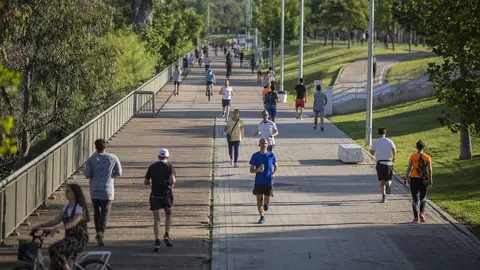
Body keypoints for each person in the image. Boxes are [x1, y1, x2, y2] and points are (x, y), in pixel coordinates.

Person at [32, 184, 89, 270]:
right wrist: (40, 226)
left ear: (75, 193)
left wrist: (60, 228)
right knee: (54, 255)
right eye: (66, 191)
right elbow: (55, 221)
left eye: (68, 191)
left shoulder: (79, 207)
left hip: (78, 238)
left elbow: (74, 222)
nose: (66, 193)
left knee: (55, 249)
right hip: (69, 238)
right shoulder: (67, 207)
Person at [83, 138, 122, 246]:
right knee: (105, 211)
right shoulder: (113, 157)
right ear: (106, 147)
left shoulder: (91, 159)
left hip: (94, 189)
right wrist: (111, 176)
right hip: (107, 189)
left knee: (96, 212)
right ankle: (101, 232)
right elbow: (119, 172)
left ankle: (97, 232)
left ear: (96, 147)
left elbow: (87, 174)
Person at [144, 149, 176, 251]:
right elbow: (172, 180)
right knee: (169, 214)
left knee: (157, 219)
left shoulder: (152, 166)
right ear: (167, 157)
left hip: (155, 196)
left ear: (158, 156)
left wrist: (152, 183)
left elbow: (146, 181)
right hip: (166, 195)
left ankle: (157, 241)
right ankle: (166, 234)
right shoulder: (169, 166)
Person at [249, 138, 278, 224]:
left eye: (265, 143)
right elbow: (251, 170)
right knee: (259, 200)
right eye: (262, 143)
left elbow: (276, 166)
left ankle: (266, 205)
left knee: (267, 198)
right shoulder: (255, 156)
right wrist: (258, 170)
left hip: (268, 181)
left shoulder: (271, 155)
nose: (264, 145)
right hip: (258, 181)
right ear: (259, 144)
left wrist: (274, 173)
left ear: (267, 145)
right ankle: (262, 216)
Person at [403, 140, 433, 223]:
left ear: (416, 147)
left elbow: (409, 168)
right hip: (424, 179)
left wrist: (406, 177)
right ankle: (422, 214)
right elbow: (430, 170)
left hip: (414, 179)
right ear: (424, 147)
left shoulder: (413, 156)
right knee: (423, 198)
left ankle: (416, 217)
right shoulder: (427, 157)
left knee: (415, 198)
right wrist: (430, 180)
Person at [370, 128, 397, 203]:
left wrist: (371, 151)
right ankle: (388, 183)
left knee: (382, 181)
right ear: (385, 133)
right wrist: (394, 157)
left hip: (380, 164)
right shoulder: (389, 141)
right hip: (389, 163)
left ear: (378, 134)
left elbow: (372, 152)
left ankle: (384, 197)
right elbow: (394, 149)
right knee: (389, 178)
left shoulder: (376, 142)